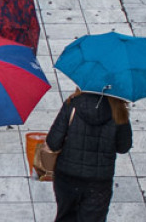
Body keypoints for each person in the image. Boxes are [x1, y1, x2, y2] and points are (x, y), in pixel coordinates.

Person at [45, 92, 133, 221]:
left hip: (67, 177)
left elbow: (53, 143)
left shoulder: (73, 104)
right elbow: (123, 147)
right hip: (99, 183)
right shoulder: (119, 110)